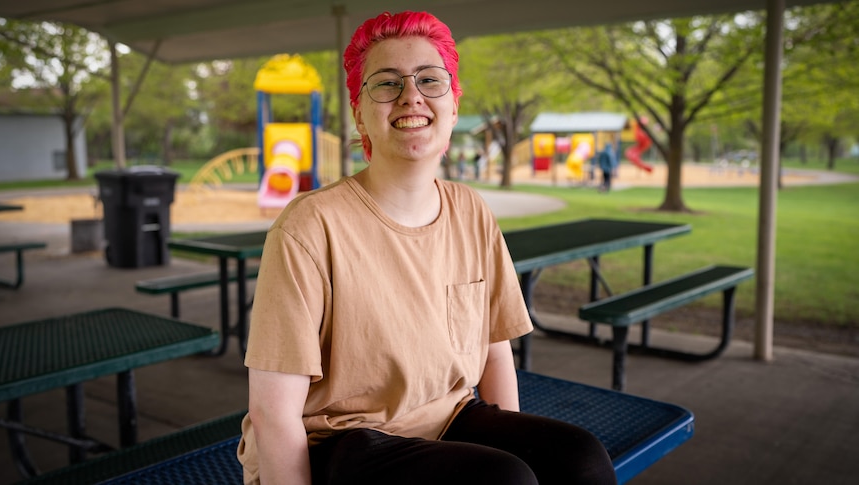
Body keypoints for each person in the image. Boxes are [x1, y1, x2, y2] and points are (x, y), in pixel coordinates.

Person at [237, 10, 616, 485]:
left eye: (430, 80)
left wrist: (515, 443)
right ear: (360, 113)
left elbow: (495, 352)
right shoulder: (309, 228)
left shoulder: (471, 211)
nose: (411, 95)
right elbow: (273, 412)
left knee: (579, 457)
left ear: (453, 107)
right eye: (387, 83)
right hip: (339, 444)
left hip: (448, 418)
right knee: (503, 481)